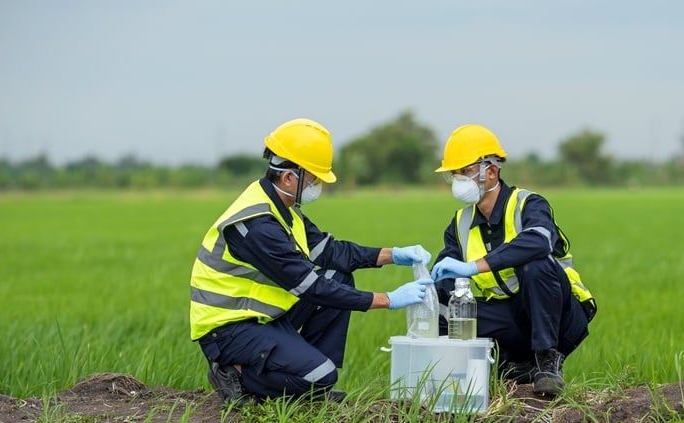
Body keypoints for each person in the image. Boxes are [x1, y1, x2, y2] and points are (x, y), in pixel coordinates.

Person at [190, 118, 432, 404]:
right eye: (314, 178)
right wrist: (387, 299)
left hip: (262, 318)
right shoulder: (258, 226)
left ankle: (308, 382)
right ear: (290, 177)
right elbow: (311, 287)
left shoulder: (284, 208)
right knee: (323, 373)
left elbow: (332, 253)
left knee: (339, 276)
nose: (318, 185)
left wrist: (394, 254)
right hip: (229, 331)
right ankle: (235, 373)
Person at [429, 124, 596, 397]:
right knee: (442, 298)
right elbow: (446, 270)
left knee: (535, 263)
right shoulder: (460, 223)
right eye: (454, 174)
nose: (458, 179)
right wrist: (426, 285)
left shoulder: (528, 204)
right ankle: (454, 378)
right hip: (511, 318)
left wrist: (475, 266)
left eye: (464, 171)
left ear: (491, 171)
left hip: (560, 316)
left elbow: (538, 242)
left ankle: (547, 363)